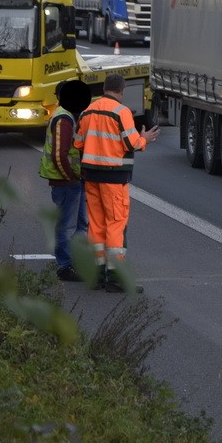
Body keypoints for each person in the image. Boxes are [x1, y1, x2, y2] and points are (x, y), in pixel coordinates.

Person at [74, 73, 160, 293]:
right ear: (122, 91)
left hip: (91, 176)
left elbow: (78, 142)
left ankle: (96, 275)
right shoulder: (121, 112)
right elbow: (131, 143)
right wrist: (145, 139)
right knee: (116, 224)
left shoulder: (87, 111)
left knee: (96, 224)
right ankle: (115, 277)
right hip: (114, 178)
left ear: (104, 88)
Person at [39, 79, 92, 282]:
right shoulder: (64, 119)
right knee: (66, 225)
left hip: (72, 181)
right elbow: (59, 155)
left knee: (81, 223)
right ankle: (64, 266)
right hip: (66, 182)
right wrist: (71, 176)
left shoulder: (69, 116)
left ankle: (74, 261)